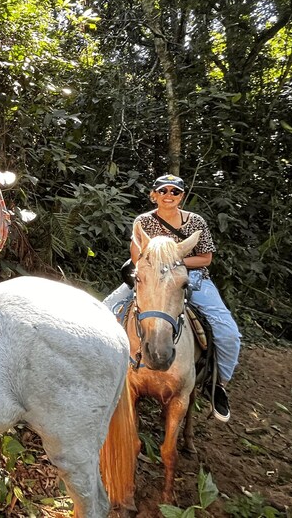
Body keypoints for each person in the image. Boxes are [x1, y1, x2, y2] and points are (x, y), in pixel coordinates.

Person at [103, 174, 241, 422]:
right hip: (151, 277)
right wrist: (158, 268)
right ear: (154, 194)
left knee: (227, 330)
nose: (169, 195)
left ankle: (217, 384)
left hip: (191, 277)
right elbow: (136, 256)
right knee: (105, 310)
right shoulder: (143, 221)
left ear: (182, 196)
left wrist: (173, 264)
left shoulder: (195, 222)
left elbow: (205, 258)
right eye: (163, 191)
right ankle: (103, 368)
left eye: (175, 192)